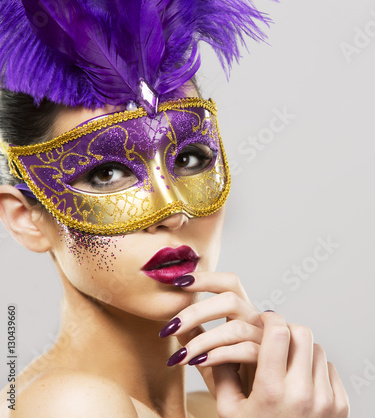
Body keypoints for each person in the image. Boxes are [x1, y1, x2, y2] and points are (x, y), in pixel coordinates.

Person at [0, 0, 350, 416]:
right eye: (107, 174)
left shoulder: (219, 409)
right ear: (26, 220)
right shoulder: (72, 405)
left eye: (188, 159)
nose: (173, 213)